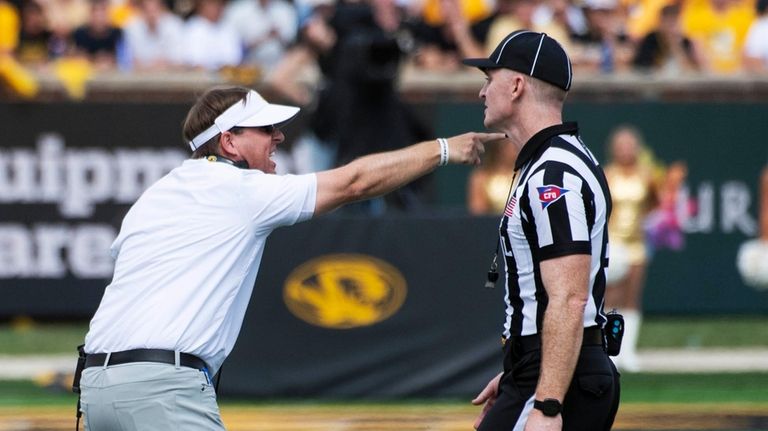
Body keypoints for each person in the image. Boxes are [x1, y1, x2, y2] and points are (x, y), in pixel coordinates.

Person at [76, 85, 502, 429]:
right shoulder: (238, 189)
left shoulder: (155, 196)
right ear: (229, 142)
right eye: (264, 129)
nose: (278, 136)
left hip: (96, 387)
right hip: (162, 389)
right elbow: (353, 183)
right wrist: (444, 149)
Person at [462, 30, 620, 430]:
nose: (482, 93)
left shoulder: (554, 173)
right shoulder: (550, 161)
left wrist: (547, 401)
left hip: (557, 379)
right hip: (543, 368)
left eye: (489, 79)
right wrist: (520, 371)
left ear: (516, 85)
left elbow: (568, 297)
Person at [603, 125, 657, 372]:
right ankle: (611, 349)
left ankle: (628, 351)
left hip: (637, 244)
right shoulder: (607, 174)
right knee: (611, 296)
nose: (625, 150)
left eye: (629, 145)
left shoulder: (647, 175)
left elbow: (655, 206)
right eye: (621, 146)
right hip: (612, 244)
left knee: (631, 298)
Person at [467, 138, 518, 215]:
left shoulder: (528, 172)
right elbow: (478, 213)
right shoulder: (481, 178)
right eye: (510, 145)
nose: (515, 149)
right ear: (499, 149)